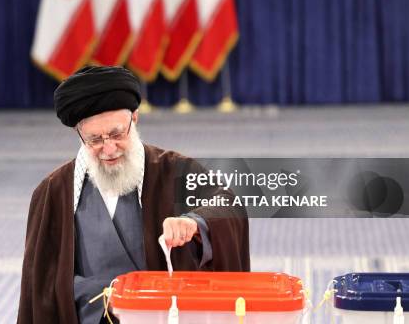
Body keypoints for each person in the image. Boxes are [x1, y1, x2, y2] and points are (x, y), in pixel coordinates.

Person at [17, 66, 249, 324]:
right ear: (78, 134)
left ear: (135, 118)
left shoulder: (172, 169)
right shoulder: (52, 192)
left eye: (117, 134)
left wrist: (196, 222)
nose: (108, 148)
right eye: (95, 139)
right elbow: (40, 288)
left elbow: (229, 205)